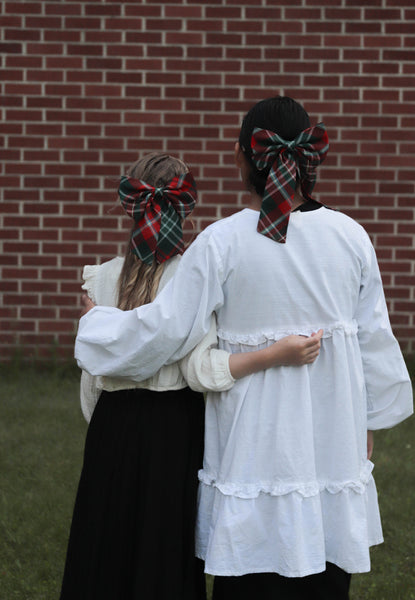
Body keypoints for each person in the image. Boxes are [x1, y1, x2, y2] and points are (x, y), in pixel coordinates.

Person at [75, 97, 413, 599]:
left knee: (249, 576)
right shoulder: (352, 237)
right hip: (329, 436)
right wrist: (367, 419)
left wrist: (97, 326)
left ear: (240, 159)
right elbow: (374, 342)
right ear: (309, 161)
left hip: (252, 446)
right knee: (325, 569)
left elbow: (166, 329)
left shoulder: (223, 242)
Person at [61, 151, 322, 600]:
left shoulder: (100, 281)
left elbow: (92, 379)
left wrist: (110, 419)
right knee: (165, 548)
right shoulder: (196, 276)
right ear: (186, 208)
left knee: (103, 540)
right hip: (174, 431)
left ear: (130, 205)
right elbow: (201, 371)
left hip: (112, 426)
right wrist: (274, 354)